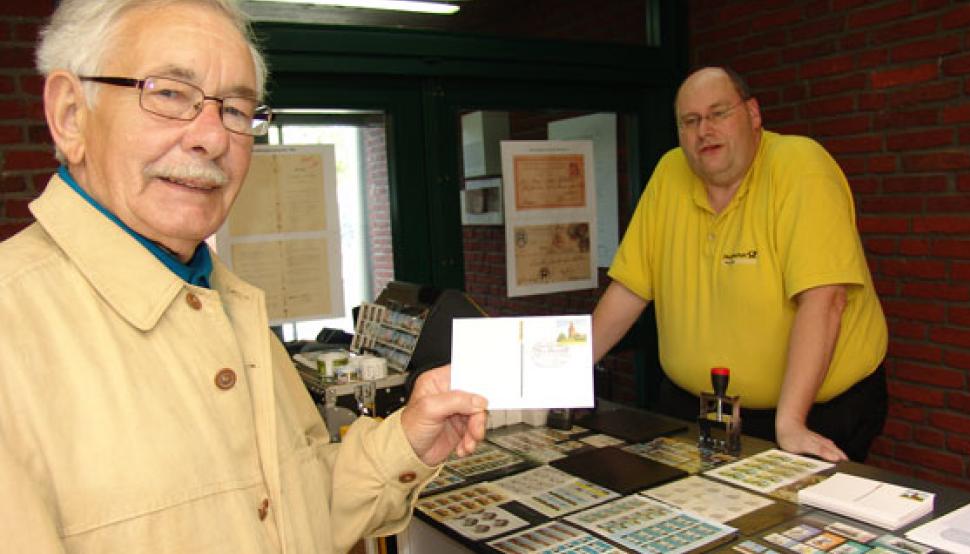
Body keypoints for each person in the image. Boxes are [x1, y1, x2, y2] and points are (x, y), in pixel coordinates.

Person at [0, 0, 487, 552]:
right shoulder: (14, 336)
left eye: (235, 108)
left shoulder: (226, 304)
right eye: (168, 93)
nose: (212, 138)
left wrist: (407, 441)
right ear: (70, 115)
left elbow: (296, 514)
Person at [592, 67, 888, 463]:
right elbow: (629, 290)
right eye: (690, 121)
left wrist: (791, 422)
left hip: (808, 414)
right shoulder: (669, 173)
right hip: (696, 408)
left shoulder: (801, 167)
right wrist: (562, 378)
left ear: (753, 114)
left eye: (718, 113)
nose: (704, 130)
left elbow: (825, 300)